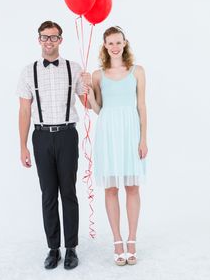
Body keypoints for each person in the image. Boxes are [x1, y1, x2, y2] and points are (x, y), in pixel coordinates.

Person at [16, 21, 90, 270]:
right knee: (48, 194)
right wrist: (23, 145)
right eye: (44, 37)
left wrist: (91, 85)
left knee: (68, 192)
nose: (49, 41)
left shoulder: (74, 68)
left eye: (54, 37)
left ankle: (71, 248)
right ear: (38, 40)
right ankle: (53, 248)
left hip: (68, 135)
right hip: (41, 136)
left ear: (61, 40)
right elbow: (24, 110)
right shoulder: (29, 71)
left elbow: (88, 104)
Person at [85, 26, 148, 266]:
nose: (114, 46)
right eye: (110, 43)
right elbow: (98, 109)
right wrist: (90, 94)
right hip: (108, 133)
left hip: (131, 132)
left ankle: (132, 239)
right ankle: (117, 240)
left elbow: (142, 106)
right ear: (104, 45)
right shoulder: (98, 74)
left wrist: (143, 139)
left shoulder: (137, 71)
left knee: (132, 187)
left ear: (124, 43)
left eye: (118, 42)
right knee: (111, 189)